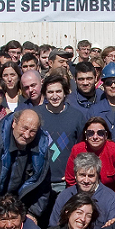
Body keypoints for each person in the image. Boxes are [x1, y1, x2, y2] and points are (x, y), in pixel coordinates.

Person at [0, 109, 52, 223]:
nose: (27, 135)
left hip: (22, 208)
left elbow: (43, 186)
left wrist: (33, 213)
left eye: (33, 131)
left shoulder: (41, 149)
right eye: (24, 128)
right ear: (14, 123)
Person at [35, 74, 86, 202]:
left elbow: (81, 149)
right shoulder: (36, 115)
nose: (55, 96)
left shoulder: (77, 116)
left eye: (58, 91)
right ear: (45, 94)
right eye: (50, 92)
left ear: (65, 93)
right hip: (40, 181)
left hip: (66, 182)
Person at [50, 153, 115, 226]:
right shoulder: (64, 196)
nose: (86, 180)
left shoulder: (110, 199)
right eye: (82, 175)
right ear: (75, 175)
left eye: (91, 176)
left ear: (98, 176)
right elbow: (53, 227)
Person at [64, 118, 115, 192]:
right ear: (86, 135)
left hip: (109, 195)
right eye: (90, 133)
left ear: (106, 135)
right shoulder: (77, 150)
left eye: (100, 133)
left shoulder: (114, 150)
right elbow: (70, 180)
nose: (95, 137)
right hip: (83, 195)